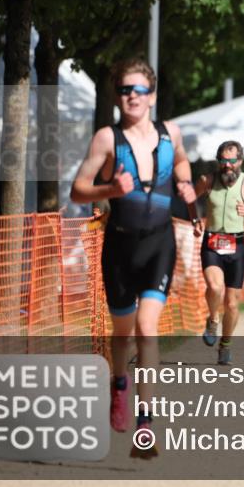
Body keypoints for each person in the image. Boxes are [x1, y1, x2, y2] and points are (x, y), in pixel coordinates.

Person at [70, 59, 197, 458]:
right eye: (125, 90)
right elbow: (77, 190)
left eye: (139, 90)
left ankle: (145, 426)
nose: (132, 97)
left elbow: (181, 160)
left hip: (159, 244)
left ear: (152, 96)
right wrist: (109, 189)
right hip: (120, 248)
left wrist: (186, 183)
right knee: (122, 334)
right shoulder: (107, 139)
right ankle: (119, 382)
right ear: (117, 96)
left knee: (147, 328)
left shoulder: (170, 133)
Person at [193, 140, 244, 365]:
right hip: (212, 242)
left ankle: (225, 344)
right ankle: (212, 319)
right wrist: (195, 219)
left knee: (232, 304)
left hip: (236, 246)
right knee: (215, 287)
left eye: (232, 160)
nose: (227, 165)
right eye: (223, 160)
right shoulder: (208, 180)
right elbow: (189, 198)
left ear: (240, 161)